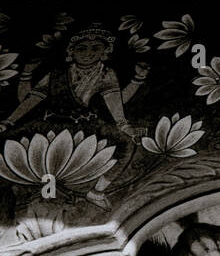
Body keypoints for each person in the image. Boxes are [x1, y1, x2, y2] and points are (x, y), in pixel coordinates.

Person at [0, 25, 150, 206]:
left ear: (105, 51)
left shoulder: (105, 74)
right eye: (82, 48)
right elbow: (31, 99)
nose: (89, 53)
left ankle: (97, 191)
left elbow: (116, 103)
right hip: (49, 121)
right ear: (71, 52)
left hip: (85, 124)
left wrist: (136, 84)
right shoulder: (57, 74)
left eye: (96, 48)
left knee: (126, 144)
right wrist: (8, 121)